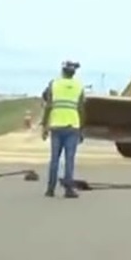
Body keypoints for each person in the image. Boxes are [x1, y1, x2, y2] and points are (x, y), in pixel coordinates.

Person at [41, 60, 85, 198]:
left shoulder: (54, 84)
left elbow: (48, 105)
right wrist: (82, 129)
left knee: (54, 159)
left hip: (56, 125)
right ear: (73, 73)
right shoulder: (79, 86)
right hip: (73, 126)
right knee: (69, 159)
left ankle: (50, 189)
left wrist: (44, 125)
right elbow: (81, 108)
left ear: (63, 71)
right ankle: (68, 190)